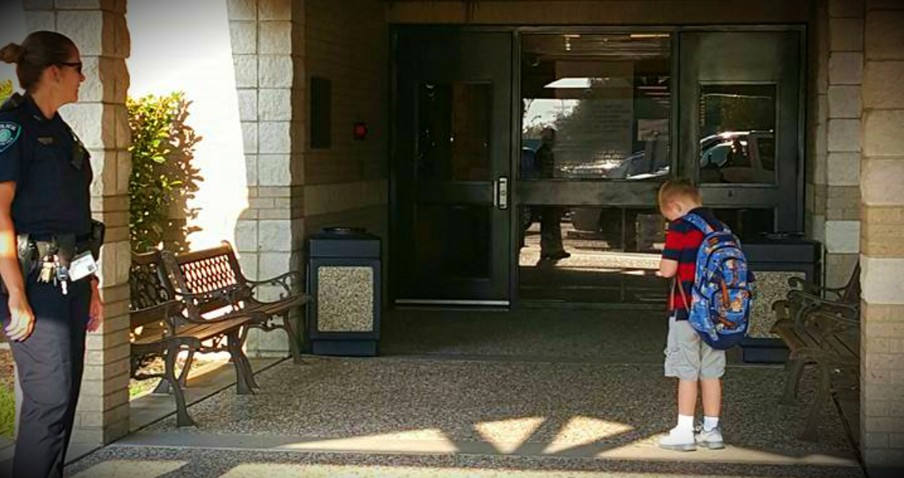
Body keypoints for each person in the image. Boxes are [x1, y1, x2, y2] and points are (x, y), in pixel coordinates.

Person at [0, 31, 104, 478]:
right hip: (33, 282)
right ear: (55, 72)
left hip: (71, 280)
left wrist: (92, 284)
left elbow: (75, 220)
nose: (84, 77)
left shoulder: (60, 132)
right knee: (49, 402)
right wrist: (14, 294)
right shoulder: (13, 127)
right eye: (79, 68)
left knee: (63, 402)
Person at [656, 178, 725, 451]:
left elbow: (668, 269)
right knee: (711, 373)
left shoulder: (681, 227)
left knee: (687, 371)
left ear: (675, 206)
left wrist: (661, 268)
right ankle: (712, 430)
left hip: (687, 311)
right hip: (717, 315)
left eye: (668, 214)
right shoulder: (719, 227)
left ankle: (684, 430)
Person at [535, 127, 569, 261]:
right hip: (548, 191)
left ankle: (551, 248)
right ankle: (550, 249)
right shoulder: (546, 153)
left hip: (548, 191)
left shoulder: (544, 152)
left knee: (551, 220)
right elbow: (546, 173)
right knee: (551, 220)